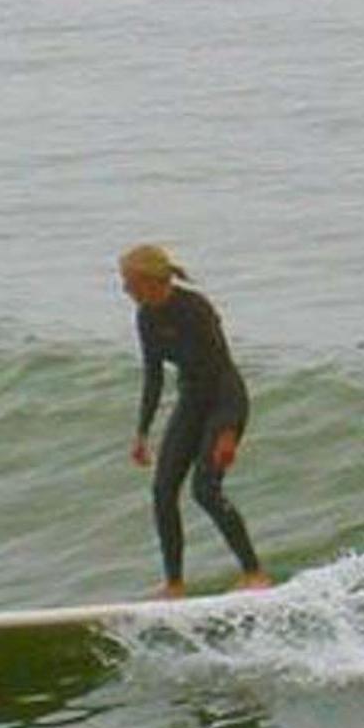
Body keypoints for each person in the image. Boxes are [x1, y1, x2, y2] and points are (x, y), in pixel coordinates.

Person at [119, 244, 271, 599]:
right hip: (192, 402)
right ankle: (174, 584)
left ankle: (255, 573)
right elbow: (153, 376)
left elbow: (222, 370)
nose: (125, 291)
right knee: (162, 491)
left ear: (149, 280)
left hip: (224, 399)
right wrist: (142, 432)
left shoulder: (194, 309)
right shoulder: (146, 316)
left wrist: (228, 431)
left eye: (129, 283)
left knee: (205, 491)